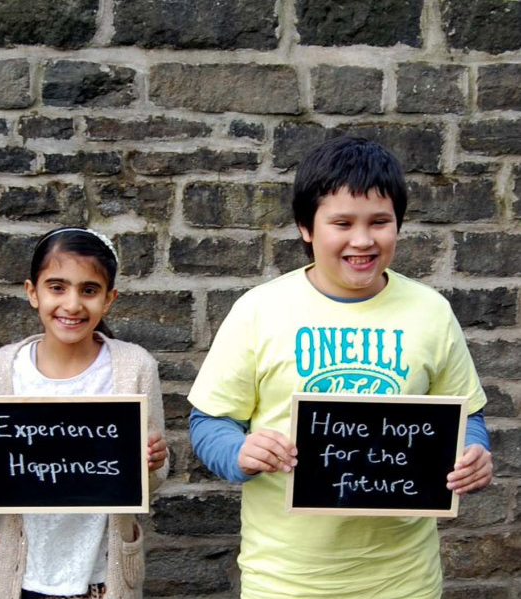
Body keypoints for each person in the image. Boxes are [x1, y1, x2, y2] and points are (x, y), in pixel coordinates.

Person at [188, 136, 493, 599]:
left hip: (404, 579)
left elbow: (466, 414)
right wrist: (238, 453)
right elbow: (209, 419)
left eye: (380, 222)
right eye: (342, 223)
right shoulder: (260, 310)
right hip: (285, 580)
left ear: (398, 225)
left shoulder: (431, 312)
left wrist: (473, 453)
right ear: (306, 228)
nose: (363, 240)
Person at [0, 227, 169, 599]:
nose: (72, 304)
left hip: (105, 573)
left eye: (88, 290)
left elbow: (150, 481)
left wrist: (152, 464)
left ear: (109, 299)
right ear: (32, 292)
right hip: (23, 573)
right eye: (57, 287)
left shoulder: (133, 367)